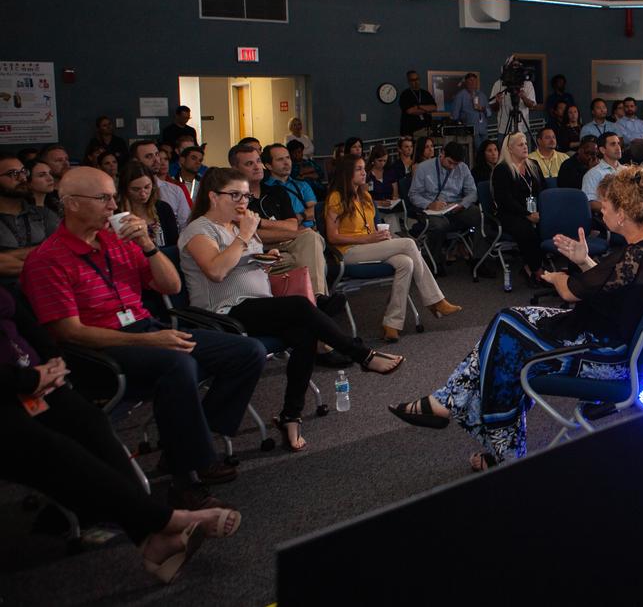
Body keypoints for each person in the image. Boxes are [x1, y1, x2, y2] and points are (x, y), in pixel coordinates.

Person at [388, 166, 643, 468]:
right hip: (612, 339)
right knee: (509, 325)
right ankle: (452, 406)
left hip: (603, 357)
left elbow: (571, 292)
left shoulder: (637, 255)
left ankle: (494, 441)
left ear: (622, 214)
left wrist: (556, 278)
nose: (600, 210)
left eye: (605, 206)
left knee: (507, 332)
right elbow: (616, 287)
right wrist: (584, 260)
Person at [20, 167, 266, 509]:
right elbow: (69, 332)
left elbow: (171, 287)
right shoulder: (47, 260)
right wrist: (151, 342)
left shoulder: (120, 241)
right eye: (103, 198)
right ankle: (186, 477)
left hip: (145, 327)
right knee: (177, 364)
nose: (112, 206)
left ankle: (191, 442)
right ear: (72, 204)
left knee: (247, 351)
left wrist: (149, 246)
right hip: (96, 349)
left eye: (112, 198)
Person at [0, 288, 241, 584]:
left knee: (91, 423)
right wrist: (29, 378)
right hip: (11, 390)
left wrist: (54, 362)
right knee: (49, 445)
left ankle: (150, 538)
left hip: (39, 379)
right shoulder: (50, 259)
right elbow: (67, 329)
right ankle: (166, 520)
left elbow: (26, 323)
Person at [181, 168, 403, 452]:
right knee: (301, 306)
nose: (242, 202)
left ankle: (290, 415)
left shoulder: (237, 227)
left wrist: (264, 257)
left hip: (256, 306)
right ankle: (362, 354)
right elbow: (216, 270)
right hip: (223, 313)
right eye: (234, 195)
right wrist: (245, 237)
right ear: (212, 196)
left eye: (246, 196)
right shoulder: (199, 229)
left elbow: (243, 262)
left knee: (305, 332)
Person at [325, 156, 459, 341]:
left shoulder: (364, 196)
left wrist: (379, 236)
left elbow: (370, 228)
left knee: (406, 262)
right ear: (347, 173)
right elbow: (332, 237)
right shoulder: (336, 197)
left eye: (364, 168)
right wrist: (369, 238)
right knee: (409, 243)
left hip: (370, 246)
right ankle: (435, 300)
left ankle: (392, 323)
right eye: (358, 169)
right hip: (348, 251)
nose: (364, 172)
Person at [229, 144, 330, 304]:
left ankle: (317, 298)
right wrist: (289, 232)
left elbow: (292, 225)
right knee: (305, 253)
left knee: (310, 237)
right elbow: (251, 235)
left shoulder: (276, 191)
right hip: (259, 252)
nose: (257, 167)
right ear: (235, 169)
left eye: (258, 161)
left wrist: (260, 222)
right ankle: (316, 303)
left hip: (287, 244)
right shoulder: (235, 198)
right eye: (249, 164)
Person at [407, 142, 482, 270]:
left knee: (478, 214)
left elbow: (473, 192)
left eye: (456, 164)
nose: (452, 167)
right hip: (431, 210)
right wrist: (429, 204)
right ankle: (435, 262)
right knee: (439, 225)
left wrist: (462, 205)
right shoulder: (423, 168)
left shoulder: (462, 168)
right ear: (442, 154)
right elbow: (413, 195)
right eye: (450, 162)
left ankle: (479, 259)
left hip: (454, 208)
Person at [488, 132, 545, 286]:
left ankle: (528, 267)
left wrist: (540, 211)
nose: (525, 147)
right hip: (510, 214)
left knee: (549, 225)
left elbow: (542, 191)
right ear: (510, 149)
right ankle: (538, 271)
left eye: (526, 143)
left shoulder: (533, 165)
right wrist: (527, 215)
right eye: (521, 145)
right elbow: (505, 200)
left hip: (534, 211)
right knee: (526, 229)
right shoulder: (502, 169)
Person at [1, 155, 61, 280]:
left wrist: (8, 255)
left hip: (43, 289)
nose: (22, 178)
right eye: (13, 173)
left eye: (23, 172)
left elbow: (60, 250)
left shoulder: (43, 214)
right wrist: (41, 256)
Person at [118, 160, 180, 248]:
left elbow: (174, 245)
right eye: (136, 189)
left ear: (153, 185)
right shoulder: (116, 213)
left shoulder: (163, 208)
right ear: (125, 189)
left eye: (147, 187)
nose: (143, 194)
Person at [129, 140, 192, 227]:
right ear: (136, 161)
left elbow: (186, 225)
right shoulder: (128, 192)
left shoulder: (175, 190)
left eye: (157, 154)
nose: (157, 160)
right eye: (148, 156)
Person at [262, 143, 321, 230]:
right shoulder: (265, 189)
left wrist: (301, 216)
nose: (286, 163)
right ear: (269, 166)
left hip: (309, 230)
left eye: (288, 158)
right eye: (280, 159)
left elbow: (315, 210)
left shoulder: (302, 185)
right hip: (283, 234)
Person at [489, 57, 537, 138]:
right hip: (504, 129)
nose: (515, 68)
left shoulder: (527, 84)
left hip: (523, 129)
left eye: (517, 66)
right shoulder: (498, 84)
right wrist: (497, 102)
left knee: (525, 150)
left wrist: (524, 97)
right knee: (504, 150)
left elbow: (532, 105)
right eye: (513, 65)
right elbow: (493, 108)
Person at [582, 131, 624, 213]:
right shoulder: (593, 174)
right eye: (613, 144)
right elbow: (591, 203)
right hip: (608, 218)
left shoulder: (627, 170)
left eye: (618, 143)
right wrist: (616, 211)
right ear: (602, 150)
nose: (618, 147)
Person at [451, 72, 491, 151]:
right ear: (466, 82)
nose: (473, 83)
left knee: (486, 151)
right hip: (470, 131)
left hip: (483, 130)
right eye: (470, 81)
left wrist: (482, 109)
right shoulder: (460, 96)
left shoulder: (482, 95)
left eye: (474, 81)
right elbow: (455, 115)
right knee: (478, 152)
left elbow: (489, 113)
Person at [399, 70, 438, 136]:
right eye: (413, 80)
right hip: (410, 130)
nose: (416, 82)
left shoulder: (425, 93)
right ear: (409, 81)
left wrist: (419, 106)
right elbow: (410, 111)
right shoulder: (405, 94)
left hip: (426, 129)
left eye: (417, 79)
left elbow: (434, 108)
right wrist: (426, 110)